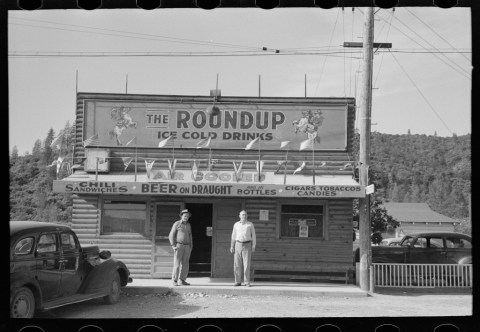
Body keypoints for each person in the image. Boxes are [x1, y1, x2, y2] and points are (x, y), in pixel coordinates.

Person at [230, 210, 256, 287]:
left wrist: (253, 246)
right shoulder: (236, 225)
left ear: (247, 216)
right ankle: (237, 281)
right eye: (242, 215)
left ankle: (246, 282)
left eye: (245, 215)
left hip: (247, 244)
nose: (244, 216)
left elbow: (253, 235)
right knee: (237, 264)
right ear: (239, 216)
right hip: (238, 244)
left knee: (246, 264)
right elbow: (233, 236)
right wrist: (232, 246)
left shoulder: (250, 224)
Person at [169, 209, 193, 286]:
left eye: (187, 216)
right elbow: (171, 235)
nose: (186, 217)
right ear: (181, 216)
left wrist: (190, 246)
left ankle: (182, 280)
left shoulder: (188, 225)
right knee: (177, 264)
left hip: (187, 247)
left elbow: (190, 236)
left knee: (185, 264)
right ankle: (175, 280)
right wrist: (173, 245)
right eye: (185, 216)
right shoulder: (177, 223)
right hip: (179, 246)